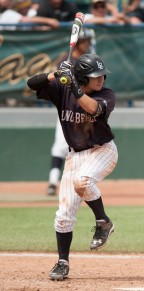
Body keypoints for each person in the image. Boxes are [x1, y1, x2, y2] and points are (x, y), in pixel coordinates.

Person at [27, 53, 118, 280]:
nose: (101, 80)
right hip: (74, 155)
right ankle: (62, 263)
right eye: (95, 76)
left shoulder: (106, 95)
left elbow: (92, 109)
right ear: (82, 77)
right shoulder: (62, 88)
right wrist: (56, 74)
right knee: (63, 216)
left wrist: (74, 86)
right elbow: (32, 83)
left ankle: (103, 222)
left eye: (102, 75)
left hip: (103, 150)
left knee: (83, 181)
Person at [47, 28, 96, 196]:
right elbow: (59, 80)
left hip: (85, 108)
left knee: (85, 145)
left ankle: (80, 183)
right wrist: (66, 71)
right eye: (85, 41)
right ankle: (53, 181)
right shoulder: (65, 60)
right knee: (61, 146)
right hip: (68, 107)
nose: (87, 44)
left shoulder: (88, 60)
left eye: (88, 41)